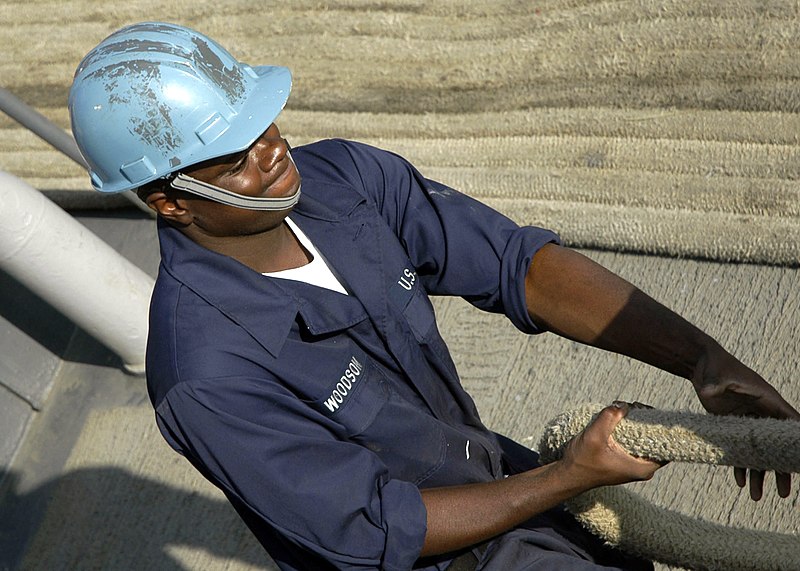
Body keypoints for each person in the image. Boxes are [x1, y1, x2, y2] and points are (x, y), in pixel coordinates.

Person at [68, 22, 798, 571]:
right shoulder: (207, 375)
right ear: (170, 201)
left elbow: (520, 266)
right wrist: (570, 475)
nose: (273, 152)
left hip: (500, 481)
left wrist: (701, 358)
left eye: (264, 121)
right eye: (236, 156)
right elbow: (376, 528)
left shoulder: (344, 182)